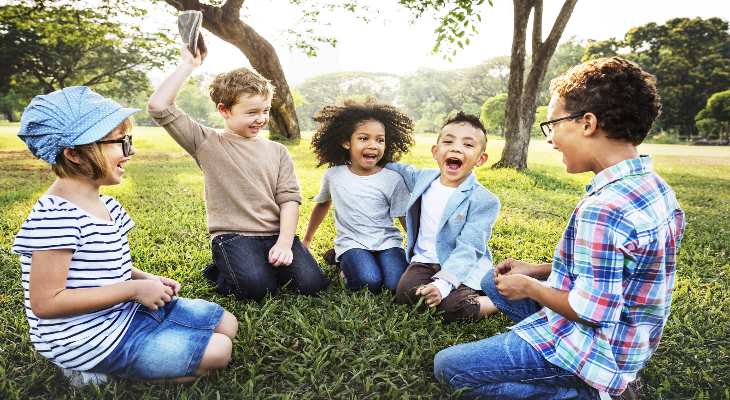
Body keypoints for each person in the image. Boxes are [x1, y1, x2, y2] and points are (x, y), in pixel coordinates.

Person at [434, 57, 686, 399]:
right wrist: (537, 270)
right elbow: (622, 268)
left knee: (449, 367)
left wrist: (530, 287)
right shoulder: (654, 188)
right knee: (489, 283)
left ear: (587, 123)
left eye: (552, 124)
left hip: (597, 348)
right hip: (630, 337)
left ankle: (594, 392)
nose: (551, 138)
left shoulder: (605, 208)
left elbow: (592, 312)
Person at [12, 86, 238, 384]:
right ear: (74, 153)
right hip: (86, 338)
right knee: (219, 351)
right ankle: (94, 371)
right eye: (120, 142)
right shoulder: (55, 217)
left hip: (124, 313)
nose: (130, 152)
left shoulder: (106, 204)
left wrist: (144, 280)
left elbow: (102, 267)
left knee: (227, 325)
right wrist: (132, 291)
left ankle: (140, 355)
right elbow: (47, 303)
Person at [147, 47, 328, 301]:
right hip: (234, 236)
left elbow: (289, 200)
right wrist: (188, 64)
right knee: (257, 290)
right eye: (252, 112)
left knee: (312, 285)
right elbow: (158, 106)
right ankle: (220, 270)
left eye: (265, 110)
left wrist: (285, 243)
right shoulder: (206, 142)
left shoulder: (278, 151)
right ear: (224, 110)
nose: (261, 118)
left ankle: (261, 265)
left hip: (275, 234)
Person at [386, 112, 500, 322]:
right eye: (448, 141)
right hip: (424, 262)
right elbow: (398, 168)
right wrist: (369, 156)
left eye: (468, 145)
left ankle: (495, 302)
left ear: (480, 159)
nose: (456, 148)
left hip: (462, 266)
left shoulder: (484, 200)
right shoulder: (423, 178)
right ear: (435, 151)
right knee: (405, 294)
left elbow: (469, 248)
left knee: (451, 307)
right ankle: (445, 294)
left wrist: (442, 284)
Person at [302, 100, 414, 292]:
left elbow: (403, 216)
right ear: (346, 142)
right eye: (364, 138)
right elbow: (322, 204)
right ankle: (343, 264)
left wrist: (417, 247)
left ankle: (343, 260)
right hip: (352, 242)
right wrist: (307, 240)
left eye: (380, 140)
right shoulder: (334, 175)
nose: (373, 145)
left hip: (388, 242)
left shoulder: (393, 179)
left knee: (395, 285)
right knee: (368, 281)